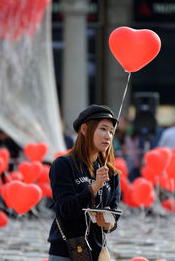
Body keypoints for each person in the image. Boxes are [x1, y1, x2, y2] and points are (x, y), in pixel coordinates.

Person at [47, 105, 121, 261]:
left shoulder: (112, 173)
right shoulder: (64, 164)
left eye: (111, 131)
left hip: (97, 252)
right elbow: (65, 209)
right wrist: (93, 188)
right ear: (85, 129)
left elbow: (114, 213)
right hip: (66, 250)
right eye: (103, 129)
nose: (108, 136)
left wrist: (108, 224)